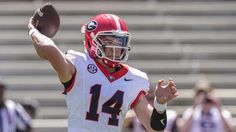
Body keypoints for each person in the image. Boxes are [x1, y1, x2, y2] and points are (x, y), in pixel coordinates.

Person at [28, 13, 178, 132]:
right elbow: (47, 48)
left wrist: (160, 105)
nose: (117, 48)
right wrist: (33, 30)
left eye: (121, 42)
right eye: (110, 42)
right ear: (91, 41)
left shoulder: (134, 79)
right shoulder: (78, 65)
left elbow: (155, 128)